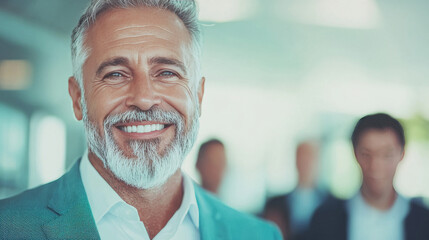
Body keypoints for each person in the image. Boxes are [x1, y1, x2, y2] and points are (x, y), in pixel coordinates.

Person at [0, 1, 281, 239]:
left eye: (167, 73)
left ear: (198, 96)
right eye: (115, 74)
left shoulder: (257, 235)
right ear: (78, 99)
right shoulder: (8, 227)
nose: (144, 99)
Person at [308, 113, 429, 240]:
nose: (375, 166)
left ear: (402, 154)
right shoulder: (325, 219)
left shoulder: (424, 221)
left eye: (387, 155)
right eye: (366, 154)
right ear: (355, 153)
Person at [263, 140, 328, 240]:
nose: (306, 163)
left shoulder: (333, 204)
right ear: (295, 160)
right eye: (302, 157)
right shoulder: (275, 205)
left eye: (310, 158)